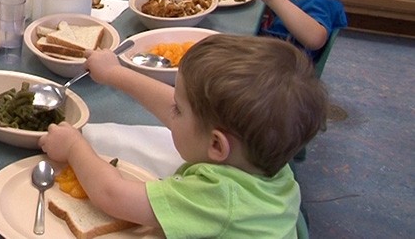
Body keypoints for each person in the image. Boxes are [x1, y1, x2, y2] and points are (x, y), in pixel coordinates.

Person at [39, 34, 328, 237]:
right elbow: (184, 111)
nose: (171, 111)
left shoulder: (218, 198)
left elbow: (113, 196)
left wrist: (74, 147)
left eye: (179, 110)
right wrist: (115, 73)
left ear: (216, 145)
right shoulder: (267, 161)